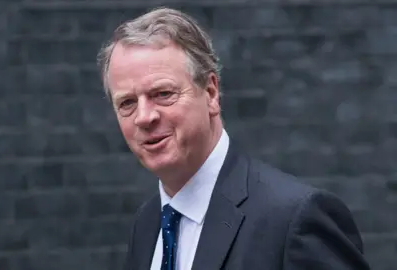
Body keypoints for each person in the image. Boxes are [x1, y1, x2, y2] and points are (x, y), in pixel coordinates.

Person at [97, 7, 370, 270]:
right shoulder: (147, 223)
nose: (144, 117)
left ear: (211, 93)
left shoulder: (295, 219)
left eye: (163, 94)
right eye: (127, 103)